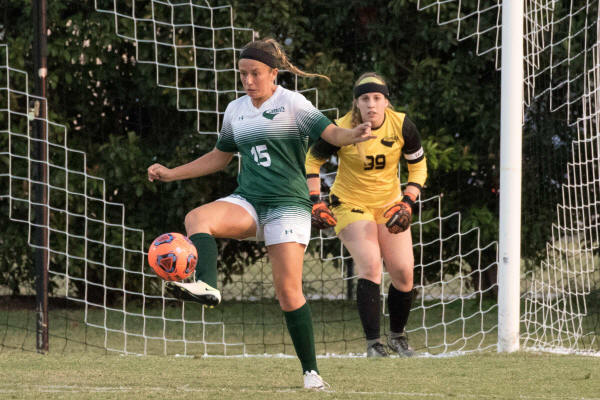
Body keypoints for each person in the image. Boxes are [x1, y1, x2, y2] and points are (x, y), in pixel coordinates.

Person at [147, 38, 375, 389]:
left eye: (255, 73)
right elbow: (219, 157)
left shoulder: (293, 103)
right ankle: (207, 285)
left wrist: (353, 134)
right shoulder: (235, 110)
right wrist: (171, 173)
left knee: (288, 292)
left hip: (288, 205)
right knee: (197, 218)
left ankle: (311, 373)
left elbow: (330, 133)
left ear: (273, 74)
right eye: (243, 74)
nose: (248, 80)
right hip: (250, 201)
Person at [305, 72, 427, 358]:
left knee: (403, 273)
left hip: (390, 204)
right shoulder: (341, 127)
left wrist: (407, 202)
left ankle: (398, 337)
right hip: (350, 203)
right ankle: (374, 344)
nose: (371, 104)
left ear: (386, 101)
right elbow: (312, 159)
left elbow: (419, 168)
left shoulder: (401, 125)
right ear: (356, 103)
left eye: (377, 98)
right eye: (365, 98)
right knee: (371, 265)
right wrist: (315, 200)